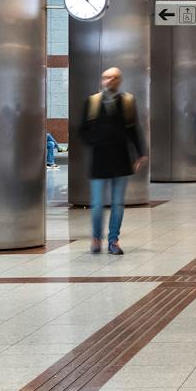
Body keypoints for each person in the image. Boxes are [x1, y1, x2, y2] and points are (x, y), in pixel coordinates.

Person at [80, 67, 146, 254]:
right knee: (97, 203)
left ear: (119, 80)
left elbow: (134, 128)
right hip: (99, 159)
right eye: (105, 78)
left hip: (121, 160)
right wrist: (95, 142)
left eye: (112, 78)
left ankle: (113, 240)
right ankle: (95, 238)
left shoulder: (127, 102)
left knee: (117, 203)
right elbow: (83, 130)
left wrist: (141, 152)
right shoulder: (92, 102)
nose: (108, 81)